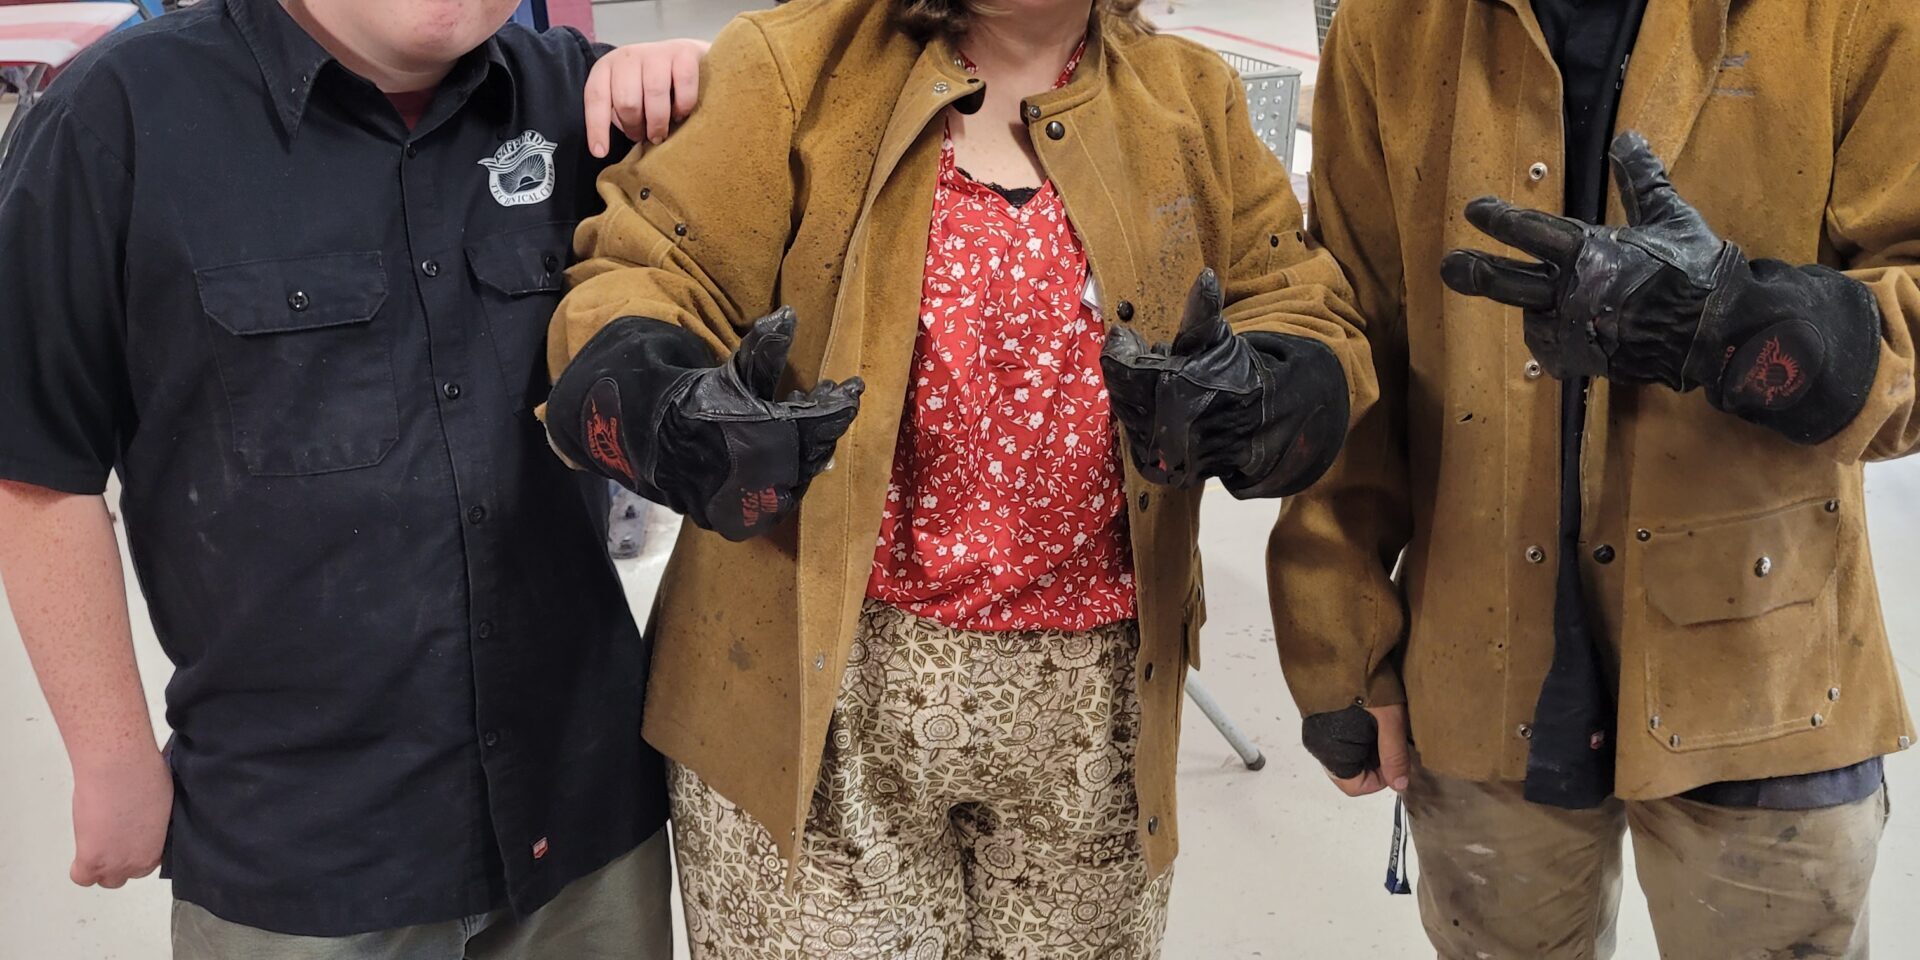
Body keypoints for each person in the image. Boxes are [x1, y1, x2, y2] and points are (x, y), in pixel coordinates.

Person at [539, 0, 1375, 954]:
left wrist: (1278, 389)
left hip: (1092, 709)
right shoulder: (787, 70)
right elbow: (645, 269)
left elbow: (1296, 297)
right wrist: (657, 398)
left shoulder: (1192, 101)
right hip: (817, 696)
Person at [0, 1, 707, 955]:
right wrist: (110, 757)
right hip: (301, 857)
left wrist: (711, 99)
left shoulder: (586, 104)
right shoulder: (114, 121)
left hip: (583, 831)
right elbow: (34, 468)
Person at [1269, 0, 1920, 956]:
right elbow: (1358, 335)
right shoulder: (1391, 25)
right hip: (1481, 659)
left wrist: (1746, 325)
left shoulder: (1856, 15)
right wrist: (1340, 637)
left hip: (1768, 669)